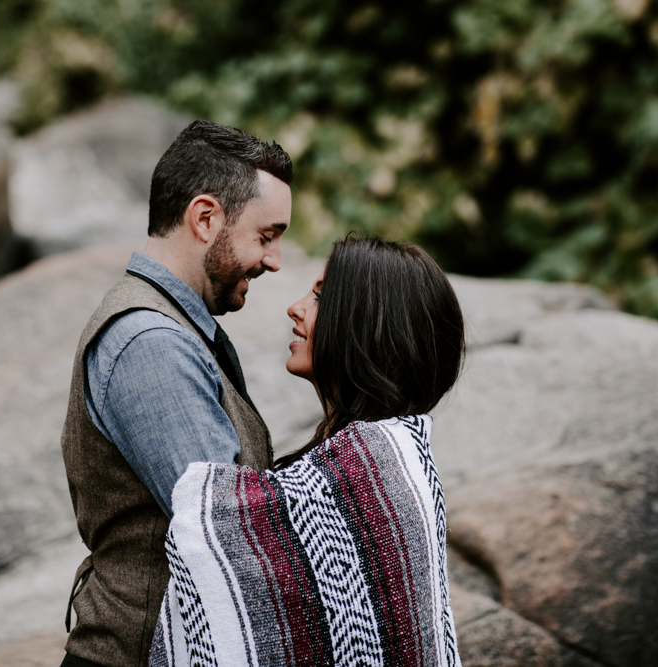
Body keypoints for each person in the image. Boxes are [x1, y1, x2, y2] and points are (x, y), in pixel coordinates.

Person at [150, 236, 466, 667]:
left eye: (319, 296)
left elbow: (208, 525)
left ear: (365, 322)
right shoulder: (381, 459)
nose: (295, 307)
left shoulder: (377, 465)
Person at [60, 120, 293, 667]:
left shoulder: (174, 329)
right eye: (267, 235)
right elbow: (230, 535)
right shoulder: (151, 343)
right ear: (206, 218)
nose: (275, 260)